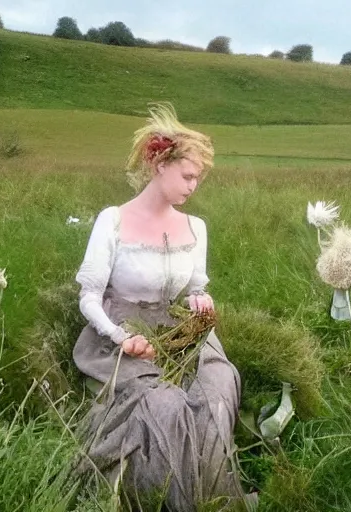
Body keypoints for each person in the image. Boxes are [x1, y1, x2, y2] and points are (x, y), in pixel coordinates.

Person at [72, 104, 246, 510]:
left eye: (198, 178)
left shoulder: (195, 227)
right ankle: (169, 499)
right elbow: (88, 297)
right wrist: (120, 336)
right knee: (164, 405)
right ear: (158, 164)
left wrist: (200, 303)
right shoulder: (113, 220)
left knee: (219, 390)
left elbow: (195, 288)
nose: (193, 186)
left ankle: (212, 494)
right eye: (187, 175)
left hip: (179, 332)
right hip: (123, 332)